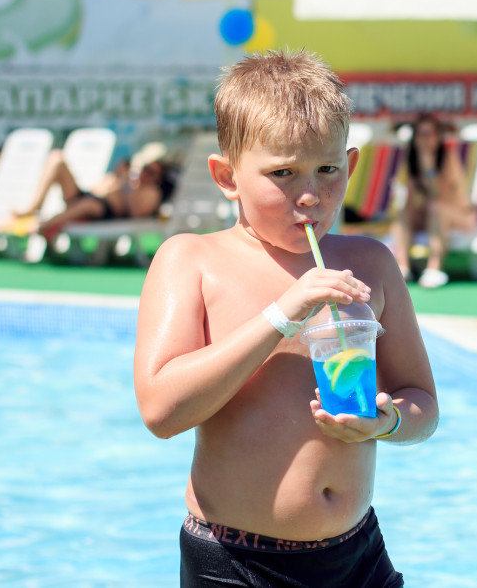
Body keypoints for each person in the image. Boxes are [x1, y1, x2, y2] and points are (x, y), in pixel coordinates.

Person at [134, 49, 438, 588]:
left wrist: (387, 421)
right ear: (227, 176)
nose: (310, 196)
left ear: (351, 165)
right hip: (236, 562)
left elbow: (423, 403)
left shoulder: (370, 263)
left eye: (328, 170)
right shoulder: (193, 261)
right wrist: (283, 314)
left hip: (358, 555)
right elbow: (161, 412)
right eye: (282, 173)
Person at [2, 143, 173, 241]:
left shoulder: (151, 192)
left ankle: (43, 225)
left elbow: (136, 214)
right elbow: (95, 189)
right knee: (57, 158)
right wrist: (117, 180)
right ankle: (32, 209)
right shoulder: (126, 178)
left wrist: (127, 186)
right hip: (88, 200)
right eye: (144, 168)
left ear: (159, 176)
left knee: (89, 205)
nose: (144, 173)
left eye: (150, 171)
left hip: (104, 212)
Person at [389, 114, 477, 288]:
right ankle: (403, 267)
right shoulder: (411, 160)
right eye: (421, 134)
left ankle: (434, 267)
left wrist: (428, 164)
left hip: (460, 215)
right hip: (431, 214)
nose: (426, 139)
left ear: (438, 136)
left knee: (437, 207)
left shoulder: (448, 157)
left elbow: (441, 196)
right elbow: (410, 198)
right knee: (404, 212)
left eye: (430, 134)